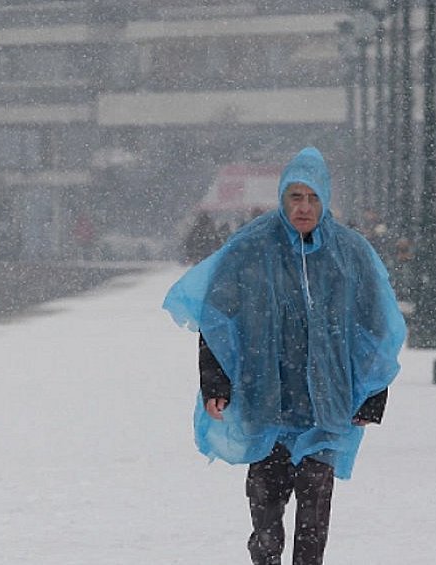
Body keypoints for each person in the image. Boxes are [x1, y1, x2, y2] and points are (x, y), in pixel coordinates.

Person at [163, 147, 407, 565]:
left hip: (327, 405)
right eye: (296, 196)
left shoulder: (351, 254)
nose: (304, 207)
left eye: (313, 198)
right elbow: (218, 317)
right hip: (267, 402)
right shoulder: (251, 248)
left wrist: (373, 394)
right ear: (281, 198)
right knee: (266, 521)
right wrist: (216, 382)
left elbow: (376, 328)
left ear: (325, 199)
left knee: (313, 521)